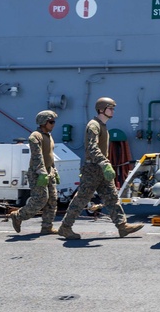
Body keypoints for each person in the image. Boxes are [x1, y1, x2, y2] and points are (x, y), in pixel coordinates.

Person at [59, 97, 143, 240]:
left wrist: (104, 164)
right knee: (81, 199)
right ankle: (65, 227)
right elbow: (92, 147)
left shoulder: (102, 126)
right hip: (93, 168)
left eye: (113, 108)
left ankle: (122, 227)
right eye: (110, 108)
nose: (113, 111)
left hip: (101, 167)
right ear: (101, 110)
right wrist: (104, 162)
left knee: (112, 198)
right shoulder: (94, 125)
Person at [10, 110, 61, 236]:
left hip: (49, 171)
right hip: (38, 173)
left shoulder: (49, 136)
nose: (53, 124)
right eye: (51, 122)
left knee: (52, 200)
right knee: (40, 199)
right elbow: (37, 156)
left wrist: (54, 170)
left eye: (54, 121)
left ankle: (47, 226)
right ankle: (18, 216)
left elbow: (50, 156)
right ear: (43, 122)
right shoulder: (35, 136)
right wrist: (42, 173)